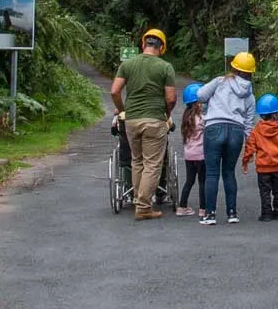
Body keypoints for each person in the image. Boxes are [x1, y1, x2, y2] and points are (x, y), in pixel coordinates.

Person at [110, 28, 177, 220]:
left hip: (131, 121)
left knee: (137, 161)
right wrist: (166, 113)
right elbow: (171, 98)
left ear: (143, 44)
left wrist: (122, 109)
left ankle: (138, 201)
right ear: (162, 47)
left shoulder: (128, 64)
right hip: (154, 120)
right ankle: (144, 207)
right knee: (152, 164)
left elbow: (114, 91)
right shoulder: (165, 67)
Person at [198, 51, 257, 225]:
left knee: (212, 173)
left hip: (214, 127)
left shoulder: (219, 82)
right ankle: (232, 213)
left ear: (234, 67)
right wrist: (249, 146)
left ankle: (210, 214)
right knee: (229, 172)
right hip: (236, 132)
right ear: (250, 72)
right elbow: (249, 123)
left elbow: (200, 95)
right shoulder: (250, 96)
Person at [243, 93, 278, 221]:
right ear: (276, 114)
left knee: (265, 191)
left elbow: (250, 147)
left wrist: (246, 160)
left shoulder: (256, 131)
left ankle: (266, 214)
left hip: (263, 167)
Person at [176, 82, 206, 217]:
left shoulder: (185, 118)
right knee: (203, 181)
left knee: (189, 180)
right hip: (201, 154)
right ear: (197, 103)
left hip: (189, 155)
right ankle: (203, 208)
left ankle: (182, 206)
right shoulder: (201, 119)